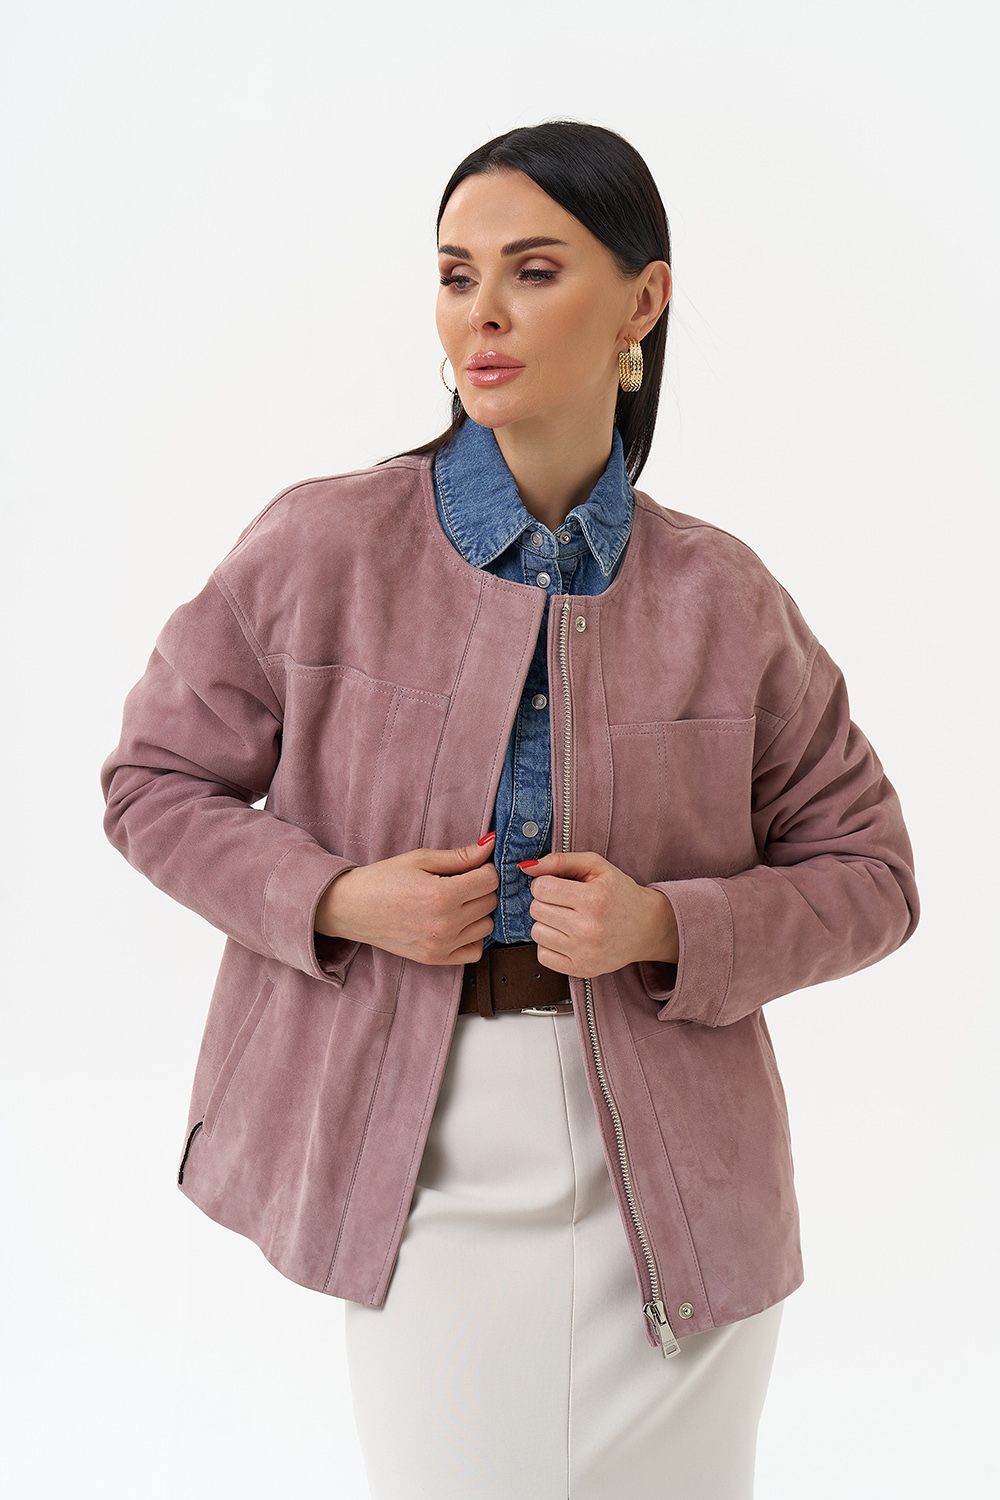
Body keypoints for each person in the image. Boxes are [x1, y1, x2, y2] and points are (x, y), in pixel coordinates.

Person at [102, 121, 918, 1499]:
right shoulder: (324, 549)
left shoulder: (724, 599)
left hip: (681, 1184)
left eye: (533, 272)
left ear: (642, 303)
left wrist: (668, 926)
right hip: (423, 1161)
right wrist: (339, 898)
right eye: (455, 274)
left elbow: (873, 874)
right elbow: (151, 783)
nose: (481, 312)